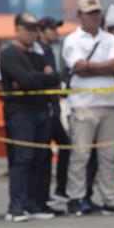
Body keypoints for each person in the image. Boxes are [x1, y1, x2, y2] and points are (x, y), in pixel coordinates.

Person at [61, 0, 114, 217]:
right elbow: (78, 67)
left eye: (97, 13)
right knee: (80, 155)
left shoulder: (111, 39)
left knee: (108, 155)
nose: (94, 17)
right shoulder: (72, 39)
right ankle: (76, 198)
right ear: (79, 15)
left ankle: (110, 199)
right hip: (83, 104)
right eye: (90, 13)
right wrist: (103, 66)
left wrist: (90, 66)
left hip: (110, 104)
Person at [0, 12, 61, 221]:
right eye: (28, 29)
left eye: (35, 29)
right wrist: (42, 76)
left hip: (41, 110)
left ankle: (34, 203)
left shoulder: (40, 52)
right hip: (20, 112)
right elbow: (24, 81)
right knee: (22, 158)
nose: (33, 33)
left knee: (40, 158)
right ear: (17, 29)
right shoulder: (9, 53)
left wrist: (39, 78)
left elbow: (55, 77)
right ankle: (15, 205)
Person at [37, 16, 71, 206]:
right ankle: (43, 195)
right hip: (44, 108)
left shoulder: (49, 49)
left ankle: (59, 190)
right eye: (51, 29)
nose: (55, 32)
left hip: (54, 107)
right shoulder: (38, 50)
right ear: (41, 31)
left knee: (64, 146)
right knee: (44, 153)